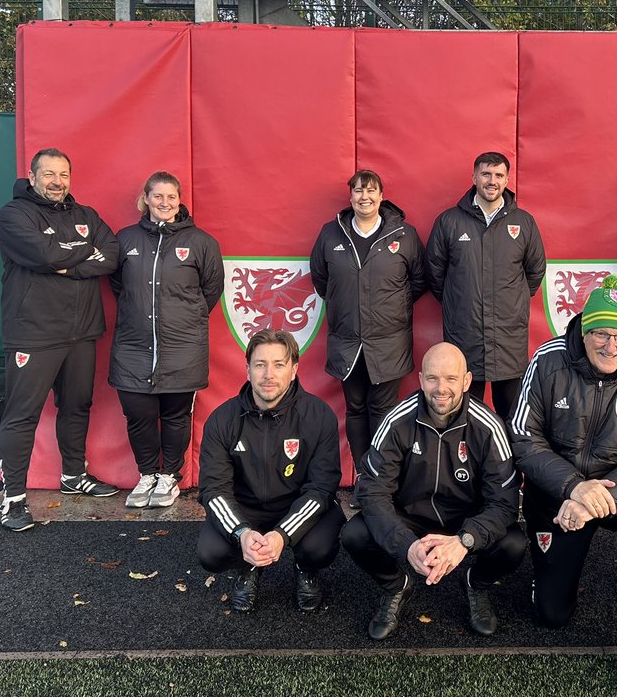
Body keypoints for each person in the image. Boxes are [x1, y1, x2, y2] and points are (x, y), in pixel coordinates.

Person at [509, 275, 617, 697]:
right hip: (560, 490)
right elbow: (524, 440)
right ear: (583, 329)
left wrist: (596, 498)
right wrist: (572, 487)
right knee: (551, 615)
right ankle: (550, 574)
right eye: (600, 332)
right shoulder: (548, 360)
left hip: (616, 494)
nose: (610, 345)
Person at [341, 343, 526, 640]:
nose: (441, 388)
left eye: (451, 379)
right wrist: (406, 545)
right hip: (411, 516)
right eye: (433, 378)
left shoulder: (489, 426)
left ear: (466, 381)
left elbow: (504, 502)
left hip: (465, 519)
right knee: (354, 534)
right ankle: (396, 586)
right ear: (420, 379)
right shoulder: (396, 421)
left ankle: (475, 585)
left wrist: (465, 541)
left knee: (513, 544)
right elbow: (372, 493)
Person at [0, 147, 120, 532]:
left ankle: (73, 476)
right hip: (34, 332)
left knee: (77, 404)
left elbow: (111, 255)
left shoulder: (86, 215)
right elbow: (42, 252)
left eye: (63, 174)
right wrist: (79, 256)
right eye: (48, 174)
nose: (57, 181)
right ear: (32, 177)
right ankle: (13, 500)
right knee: (22, 414)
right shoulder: (14, 214)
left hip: (82, 331)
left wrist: (66, 261)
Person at [196, 329, 345, 613]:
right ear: (247, 369)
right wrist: (241, 532)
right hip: (247, 510)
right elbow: (213, 490)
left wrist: (282, 535)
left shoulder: (318, 416)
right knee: (211, 553)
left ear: (294, 370)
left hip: (298, 505)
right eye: (260, 364)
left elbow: (322, 488)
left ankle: (305, 567)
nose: (269, 374)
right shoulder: (222, 419)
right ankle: (248, 565)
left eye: (279, 364)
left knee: (320, 546)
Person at [110, 171, 224, 510]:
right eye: (157, 196)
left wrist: (183, 317)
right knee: (138, 413)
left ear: (179, 201)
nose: (164, 203)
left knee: (176, 415)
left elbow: (211, 290)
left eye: (171, 197)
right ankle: (147, 473)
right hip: (133, 345)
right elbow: (118, 285)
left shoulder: (201, 242)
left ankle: (169, 476)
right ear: (146, 199)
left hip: (182, 346)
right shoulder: (126, 239)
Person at [310, 169, 428, 485]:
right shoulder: (330, 234)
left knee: (384, 409)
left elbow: (418, 282)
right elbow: (322, 280)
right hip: (347, 342)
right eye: (359, 191)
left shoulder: (404, 234)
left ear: (381, 196)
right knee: (356, 408)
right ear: (350, 198)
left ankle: (382, 475)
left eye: (371, 191)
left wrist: (392, 310)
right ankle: (363, 473)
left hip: (388, 342)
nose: (365, 197)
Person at [425, 152, 546, 419]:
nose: (492, 181)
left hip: (508, 338)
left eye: (499, 175)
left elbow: (535, 271)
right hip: (464, 335)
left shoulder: (523, 223)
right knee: (466, 414)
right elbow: (435, 273)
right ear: (474, 178)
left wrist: (513, 303)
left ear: (506, 180)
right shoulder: (449, 222)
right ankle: (466, 462)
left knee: (511, 414)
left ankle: (509, 461)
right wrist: (459, 303)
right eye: (486, 174)